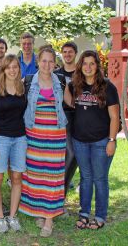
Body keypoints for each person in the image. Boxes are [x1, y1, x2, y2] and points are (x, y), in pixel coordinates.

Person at [19, 46, 69, 237]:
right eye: (44, 61)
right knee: (36, 174)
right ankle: (41, 210)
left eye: (51, 61)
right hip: (34, 134)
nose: (47, 65)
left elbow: (72, 103)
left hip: (56, 135)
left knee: (53, 175)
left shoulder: (62, 82)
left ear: (55, 63)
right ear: (38, 62)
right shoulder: (28, 81)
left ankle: (49, 218)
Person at [68, 50, 120, 230]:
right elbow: (65, 102)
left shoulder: (107, 87)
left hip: (101, 141)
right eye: (84, 63)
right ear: (80, 66)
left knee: (99, 178)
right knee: (85, 177)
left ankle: (100, 215)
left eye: (92, 63)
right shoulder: (75, 86)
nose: (88, 67)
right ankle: (84, 213)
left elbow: (115, 117)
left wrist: (112, 140)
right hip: (80, 140)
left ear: (97, 65)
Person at [0, 54, 27, 233]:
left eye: (15, 67)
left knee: (17, 178)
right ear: (2, 69)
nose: (12, 70)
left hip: (20, 138)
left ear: (19, 69)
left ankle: (12, 216)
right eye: (8, 67)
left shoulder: (23, 88)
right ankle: (0, 218)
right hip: (1, 138)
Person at [53, 41, 78, 197]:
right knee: (71, 153)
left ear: (75, 53)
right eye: (65, 52)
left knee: (76, 156)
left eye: (70, 52)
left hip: (82, 117)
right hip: (63, 117)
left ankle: (64, 189)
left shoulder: (82, 73)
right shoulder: (56, 75)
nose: (67, 54)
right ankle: (59, 193)